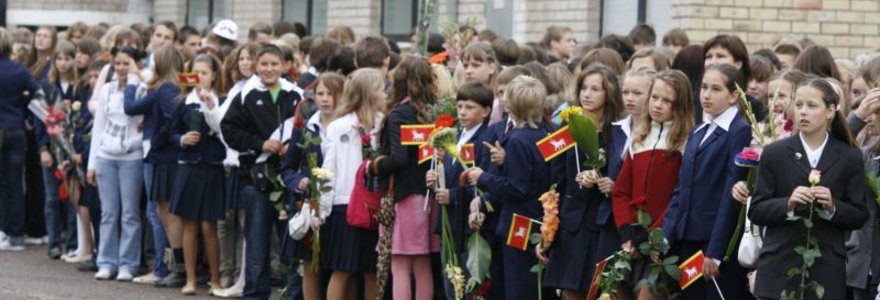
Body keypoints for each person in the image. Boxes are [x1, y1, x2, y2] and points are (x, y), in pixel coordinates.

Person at [749, 78, 869, 300]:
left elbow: (859, 214)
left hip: (826, 269)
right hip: (778, 267)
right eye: (799, 105)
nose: (803, 112)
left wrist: (833, 207)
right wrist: (788, 204)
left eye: (812, 106)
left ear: (830, 111)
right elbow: (756, 209)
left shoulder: (849, 156)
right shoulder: (775, 153)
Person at [661, 64, 752, 299]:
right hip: (688, 236)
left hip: (713, 241)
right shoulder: (699, 130)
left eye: (716, 89)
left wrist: (716, 250)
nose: (707, 94)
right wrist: (665, 235)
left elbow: (730, 193)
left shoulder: (739, 131)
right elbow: (682, 188)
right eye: (703, 87)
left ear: (733, 96)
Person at [221, 44, 304, 299]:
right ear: (256, 66)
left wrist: (292, 146)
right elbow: (229, 130)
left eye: (274, 64)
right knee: (256, 242)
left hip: (288, 178)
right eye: (264, 64)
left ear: (284, 66)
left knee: (291, 238)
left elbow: (306, 129)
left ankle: (293, 293)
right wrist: (260, 144)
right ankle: (256, 293)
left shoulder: (295, 94)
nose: (269, 69)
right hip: (255, 178)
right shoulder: (246, 94)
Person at [539, 64, 625, 298]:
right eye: (584, 88)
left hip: (603, 223)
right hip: (572, 222)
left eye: (595, 89)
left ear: (609, 93)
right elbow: (556, 182)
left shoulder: (619, 131)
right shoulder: (567, 127)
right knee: (570, 290)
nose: (587, 94)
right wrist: (548, 231)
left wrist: (605, 181)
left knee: (602, 291)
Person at [465, 75, 551, 299]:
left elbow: (517, 188)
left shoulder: (518, 139)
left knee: (518, 285)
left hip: (519, 223)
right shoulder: (544, 134)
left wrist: (483, 177)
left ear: (512, 104)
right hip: (538, 219)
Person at [612, 70, 695, 299]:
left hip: (659, 243)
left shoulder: (686, 142)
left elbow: (677, 197)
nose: (658, 105)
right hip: (630, 241)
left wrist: (651, 238)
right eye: (654, 97)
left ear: (680, 105)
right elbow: (620, 192)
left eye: (667, 101)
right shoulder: (639, 138)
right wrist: (627, 231)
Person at [369, 56, 438, 300]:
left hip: (405, 196)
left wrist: (374, 165)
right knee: (422, 263)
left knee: (399, 263)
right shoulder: (436, 112)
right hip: (431, 196)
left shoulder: (399, 114)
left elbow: (398, 159)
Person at [315, 68, 384, 300]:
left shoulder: (383, 124)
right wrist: (322, 209)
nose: (385, 95)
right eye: (381, 89)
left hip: (377, 206)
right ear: (369, 93)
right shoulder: (339, 126)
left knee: (372, 270)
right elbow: (328, 168)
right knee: (342, 269)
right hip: (345, 205)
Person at [123, 44, 185, 287]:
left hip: (167, 157)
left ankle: (174, 267)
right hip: (165, 156)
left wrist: (158, 140)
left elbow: (171, 121)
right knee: (162, 211)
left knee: (167, 212)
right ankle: (173, 266)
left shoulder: (167, 88)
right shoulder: (168, 87)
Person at [280, 72, 345, 300]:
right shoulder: (306, 127)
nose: (325, 99)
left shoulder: (348, 127)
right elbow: (287, 167)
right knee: (310, 265)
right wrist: (298, 182)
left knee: (341, 266)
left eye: (331, 94)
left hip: (339, 205)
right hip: (311, 203)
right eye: (320, 94)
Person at [426, 81, 493, 299]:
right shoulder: (454, 136)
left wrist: (453, 195)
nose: (462, 112)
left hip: (469, 222)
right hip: (450, 223)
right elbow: (451, 175)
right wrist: (436, 181)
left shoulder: (486, 139)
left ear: (486, 112)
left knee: (466, 284)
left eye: (470, 107)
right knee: (451, 281)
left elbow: (484, 183)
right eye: (460, 106)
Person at [168, 54, 228, 295]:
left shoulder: (221, 100)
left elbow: (223, 130)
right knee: (190, 224)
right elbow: (170, 133)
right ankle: (191, 279)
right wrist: (182, 139)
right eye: (196, 73)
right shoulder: (183, 101)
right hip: (189, 166)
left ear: (214, 75)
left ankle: (215, 279)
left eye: (205, 73)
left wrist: (210, 105)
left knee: (209, 224)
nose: (200, 77)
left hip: (212, 165)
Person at [87, 46, 145, 281]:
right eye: (118, 63)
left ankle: (128, 264)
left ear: (135, 65)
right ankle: (106, 261)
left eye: (126, 63)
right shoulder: (107, 90)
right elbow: (98, 127)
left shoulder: (142, 89)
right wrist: (92, 164)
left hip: (131, 157)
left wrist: (131, 142)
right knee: (108, 213)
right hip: (106, 157)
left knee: (130, 213)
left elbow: (143, 122)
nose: (121, 68)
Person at [34, 40, 80, 259]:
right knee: (52, 197)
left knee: (72, 196)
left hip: (72, 149)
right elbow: (38, 120)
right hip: (52, 147)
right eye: (59, 59)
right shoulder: (45, 85)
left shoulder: (78, 86)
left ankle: (72, 242)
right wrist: (43, 147)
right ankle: (53, 242)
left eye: (67, 58)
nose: (63, 63)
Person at [0, 27, 41, 251]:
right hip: (16, 127)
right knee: (15, 184)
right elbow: (39, 93)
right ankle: (15, 235)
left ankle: (3, 231)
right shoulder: (20, 70)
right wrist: (25, 111)